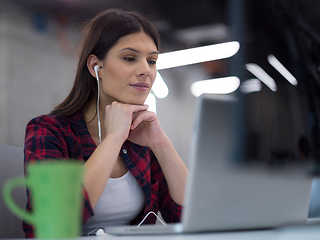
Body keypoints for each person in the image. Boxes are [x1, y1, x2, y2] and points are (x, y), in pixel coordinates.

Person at [23, 8, 188, 237]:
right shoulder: (48, 131)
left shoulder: (141, 140)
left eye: (151, 61)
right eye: (130, 58)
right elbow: (54, 221)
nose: (146, 71)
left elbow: (187, 217)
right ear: (95, 67)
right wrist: (113, 139)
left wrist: (162, 145)